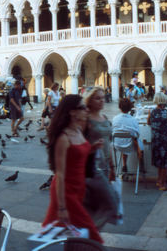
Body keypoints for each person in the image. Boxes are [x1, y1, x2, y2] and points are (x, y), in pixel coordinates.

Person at [42, 94, 104, 244]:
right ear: (72, 111)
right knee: (93, 237)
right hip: (66, 191)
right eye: (83, 107)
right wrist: (62, 207)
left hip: (78, 189)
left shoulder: (77, 130)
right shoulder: (63, 138)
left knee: (61, 232)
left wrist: (91, 148)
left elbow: (75, 154)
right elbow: (60, 174)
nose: (87, 110)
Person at [83, 87, 119, 228]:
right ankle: (90, 234)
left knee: (99, 204)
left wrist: (112, 166)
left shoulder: (104, 118)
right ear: (90, 100)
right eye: (98, 98)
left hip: (103, 165)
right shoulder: (86, 120)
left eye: (103, 97)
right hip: (90, 166)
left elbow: (108, 144)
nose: (102, 100)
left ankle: (89, 235)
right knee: (109, 203)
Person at [112, 98, 142, 174]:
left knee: (125, 139)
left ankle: (124, 165)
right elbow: (137, 134)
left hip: (117, 145)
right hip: (129, 145)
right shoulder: (133, 120)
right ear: (130, 108)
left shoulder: (115, 118)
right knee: (137, 142)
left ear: (119, 107)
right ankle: (141, 165)